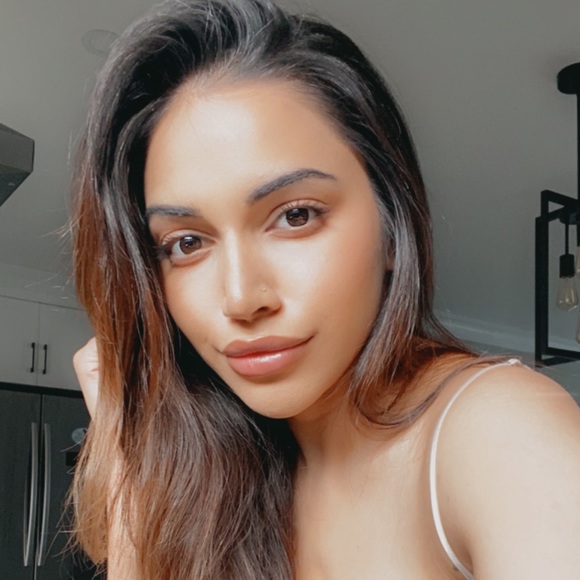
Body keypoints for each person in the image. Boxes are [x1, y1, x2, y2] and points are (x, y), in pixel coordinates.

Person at [70, 0, 580, 578]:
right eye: (186, 243)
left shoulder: (496, 428)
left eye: (296, 216)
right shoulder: (222, 477)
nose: (241, 298)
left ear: (393, 227)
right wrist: (129, 453)